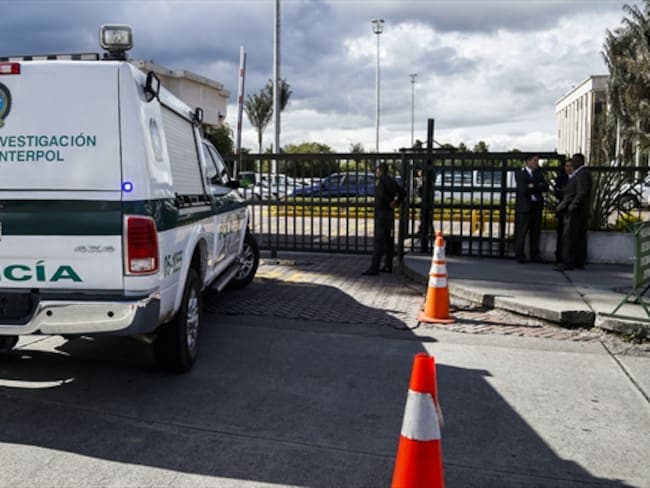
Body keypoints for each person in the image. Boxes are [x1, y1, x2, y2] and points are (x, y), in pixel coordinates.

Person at [362, 163, 405, 275]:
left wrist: (389, 201)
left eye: (377, 170)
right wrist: (396, 202)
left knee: (378, 241)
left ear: (380, 170)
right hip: (390, 213)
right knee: (389, 240)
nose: (376, 172)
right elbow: (402, 192)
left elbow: (380, 194)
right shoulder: (391, 180)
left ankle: (374, 267)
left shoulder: (380, 180)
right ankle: (388, 265)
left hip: (382, 213)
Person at [554, 153, 592, 271]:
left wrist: (572, 206)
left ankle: (567, 262)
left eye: (574, 161)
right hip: (578, 211)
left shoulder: (582, 174)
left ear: (580, 161)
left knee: (569, 237)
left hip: (576, 212)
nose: (572, 163)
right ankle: (578, 261)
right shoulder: (580, 173)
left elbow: (581, 193)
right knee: (578, 238)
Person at [514, 155, 549, 263]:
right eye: (534, 161)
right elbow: (523, 190)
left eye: (537, 161)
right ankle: (520, 255)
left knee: (535, 233)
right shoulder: (521, 173)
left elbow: (545, 187)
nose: (536, 163)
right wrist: (536, 186)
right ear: (527, 162)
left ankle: (535, 255)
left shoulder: (538, 173)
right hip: (524, 208)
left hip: (536, 206)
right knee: (521, 232)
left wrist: (532, 186)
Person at [553, 159, 574, 265]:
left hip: (573, 209)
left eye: (570, 166)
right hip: (562, 209)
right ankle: (559, 257)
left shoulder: (576, 177)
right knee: (561, 234)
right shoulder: (560, 178)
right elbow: (557, 192)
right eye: (566, 166)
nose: (568, 168)